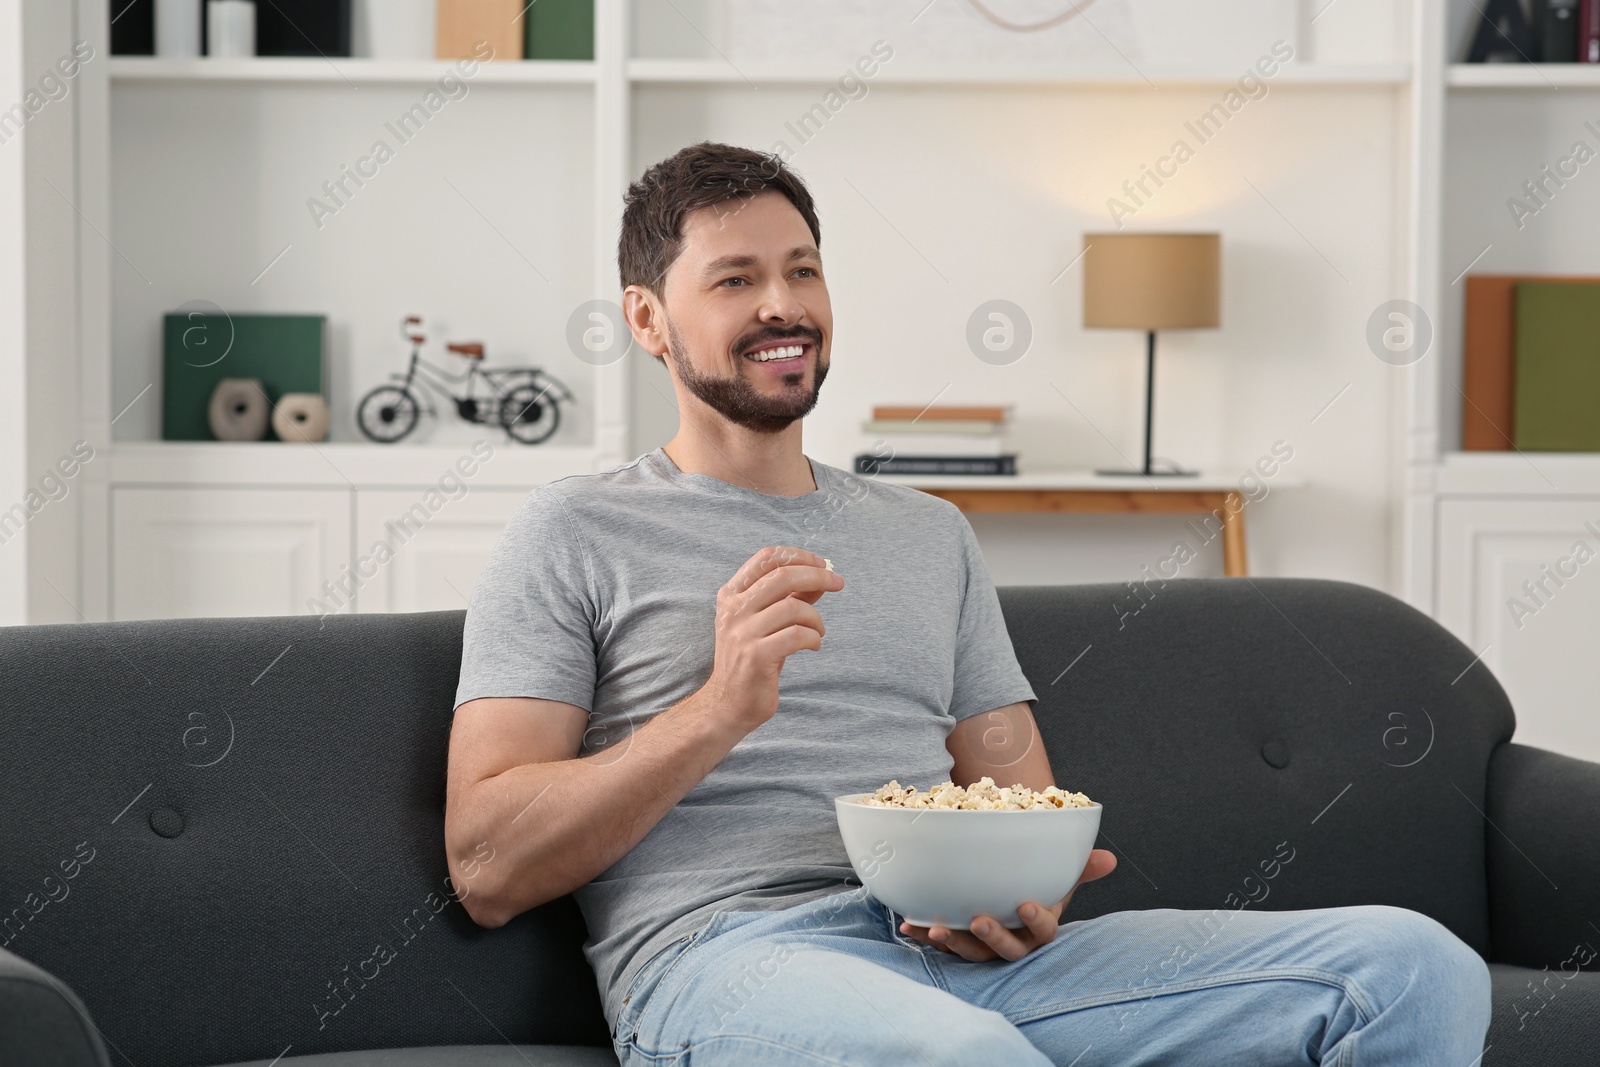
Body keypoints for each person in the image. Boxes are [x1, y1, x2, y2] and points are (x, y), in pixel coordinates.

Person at [444, 141, 1492, 1066]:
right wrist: (718, 707)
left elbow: (1015, 797)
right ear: (647, 317)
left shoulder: (926, 532)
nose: (783, 304)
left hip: (952, 957)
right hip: (729, 960)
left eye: (801, 269)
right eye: (735, 278)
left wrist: (1018, 901)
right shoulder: (574, 530)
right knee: (962, 1055)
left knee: (1410, 964)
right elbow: (486, 863)